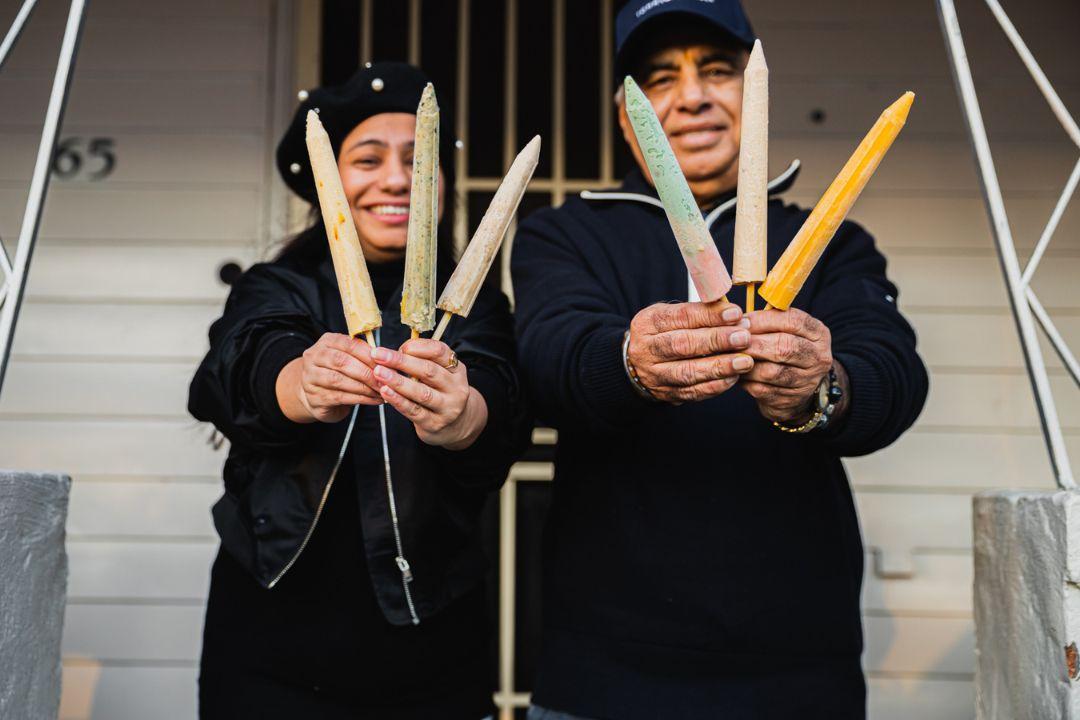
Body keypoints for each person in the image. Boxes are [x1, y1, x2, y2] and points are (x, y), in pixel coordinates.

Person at [511, 1, 928, 718]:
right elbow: (549, 359)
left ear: (753, 94)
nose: (694, 95)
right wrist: (628, 362)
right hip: (604, 678)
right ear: (626, 116)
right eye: (662, 78)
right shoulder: (566, 233)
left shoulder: (832, 241)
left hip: (798, 679)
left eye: (716, 71)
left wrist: (823, 386)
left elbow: (893, 374)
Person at [189, 62, 528, 720]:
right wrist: (297, 382)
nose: (397, 178)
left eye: (417, 158)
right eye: (367, 158)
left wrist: (465, 414)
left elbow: (500, 399)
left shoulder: (475, 303)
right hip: (268, 647)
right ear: (328, 183)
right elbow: (238, 361)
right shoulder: (278, 284)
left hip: (433, 650)